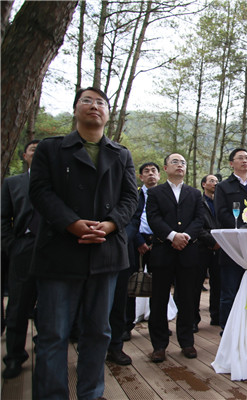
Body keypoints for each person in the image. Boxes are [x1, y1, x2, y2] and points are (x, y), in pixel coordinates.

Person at [29, 87, 138, 400]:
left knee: (98, 331)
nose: (94, 106)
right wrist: (72, 224)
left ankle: (91, 393)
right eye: (87, 101)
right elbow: (40, 192)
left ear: (108, 113)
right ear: (75, 109)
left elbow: (130, 197)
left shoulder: (121, 154)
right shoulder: (51, 149)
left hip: (105, 253)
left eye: (100, 102)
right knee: (53, 334)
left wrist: (111, 223)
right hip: (59, 254)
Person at [146, 153, 207, 362]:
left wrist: (186, 236)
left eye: (183, 162)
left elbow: (200, 219)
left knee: (188, 299)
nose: (180, 165)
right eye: (175, 162)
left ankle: (187, 341)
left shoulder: (194, 193)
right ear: (165, 168)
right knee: (159, 300)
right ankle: (159, 344)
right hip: (163, 251)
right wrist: (172, 236)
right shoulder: (155, 193)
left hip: (188, 252)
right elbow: (153, 218)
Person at [106, 161, 161, 366]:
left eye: (153, 171)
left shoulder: (162, 194)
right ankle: (125, 327)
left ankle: (157, 326)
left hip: (158, 242)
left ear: (159, 174)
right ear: (140, 177)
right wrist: (137, 241)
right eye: (146, 171)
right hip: (130, 243)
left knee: (158, 285)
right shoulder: (134, 194)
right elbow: (129, 219)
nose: (150, 174)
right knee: (127, 287)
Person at [214, 148, 247, 330]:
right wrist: (244, 225)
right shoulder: (222, 187)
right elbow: (221, 214)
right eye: (240, 158)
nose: (245, 161)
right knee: (229, 291)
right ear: (231, 163)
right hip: (233, 246)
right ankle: (227, 329)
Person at [1, 139, 39, 379]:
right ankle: (14, 357)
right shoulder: (12, 183)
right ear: (25, 156)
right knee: (17, 307)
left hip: (53, 251)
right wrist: (11, 246)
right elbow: (3, 219)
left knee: (51, 305)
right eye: (34, 150)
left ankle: (46, 349)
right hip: (23, 249)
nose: (39, 153)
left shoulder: (58, 182)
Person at [197, 174, 221, 327]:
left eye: (217, 181)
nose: (215, 184)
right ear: (204, 184)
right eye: (212, 181)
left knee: (218, 283)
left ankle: (217, 315)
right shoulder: (197, 201)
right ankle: (193, 320)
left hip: (220, 247)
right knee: (196, 283)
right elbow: (196, 224)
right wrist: (212, 241)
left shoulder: (220, 202)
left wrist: (220, 240)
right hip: (200, 247)